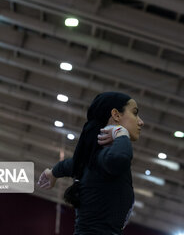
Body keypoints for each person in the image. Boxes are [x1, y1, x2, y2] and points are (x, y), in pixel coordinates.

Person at [37, 91, 144, 235]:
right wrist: (121, 133)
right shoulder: (105, 159)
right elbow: (120, 157)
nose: (140, 121)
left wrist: (52, 173)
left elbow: (71, 164)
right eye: (135, 113)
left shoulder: (93, 160)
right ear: (116, 114)